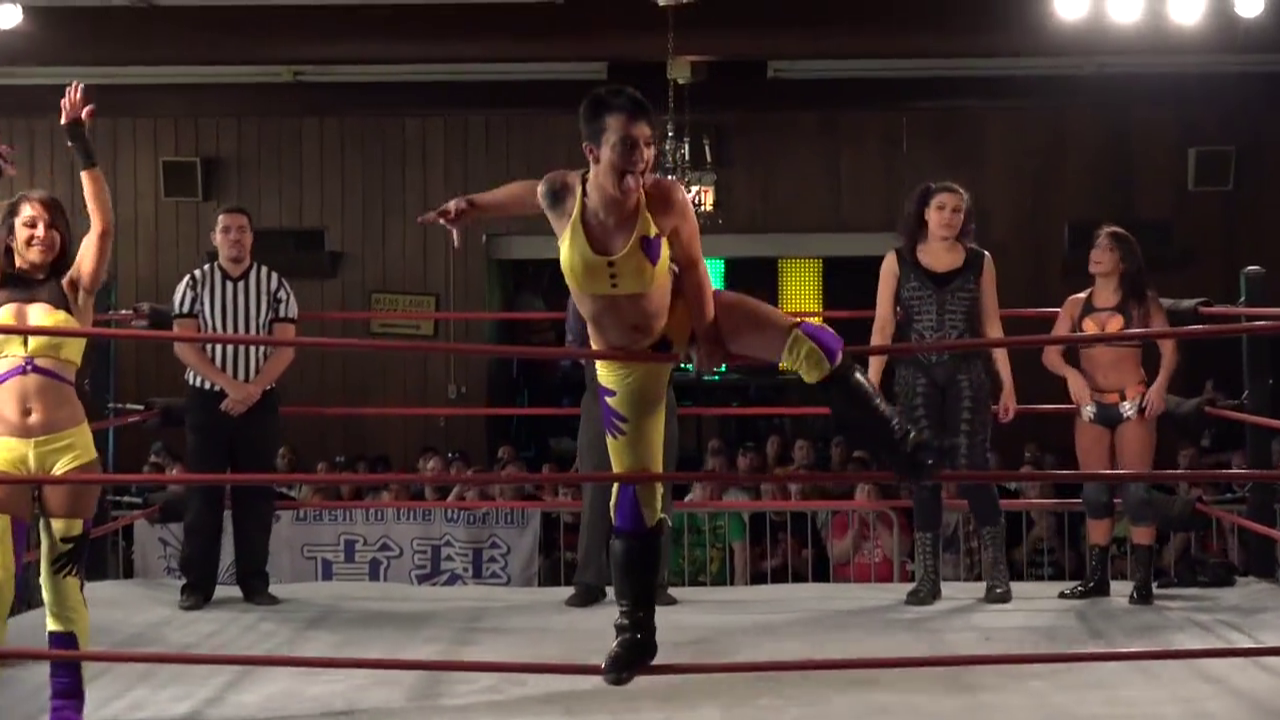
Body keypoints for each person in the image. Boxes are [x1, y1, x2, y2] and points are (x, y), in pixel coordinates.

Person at [418, 85, 937, 686]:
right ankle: (635, 631)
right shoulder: (561, 196)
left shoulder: (665, 198)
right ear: (591, 151)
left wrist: (709, 335)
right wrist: (470, 206)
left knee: (816, 343)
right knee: (634, 497)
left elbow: (692, 267)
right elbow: (524, 192)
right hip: (623, 364)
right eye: (627, 146)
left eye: (648, 145)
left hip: (681, 317)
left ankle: (904, 448)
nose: (641, 158)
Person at [0, 81, 113, 720]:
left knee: (61, 583)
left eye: (50, 224)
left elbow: (104, 225)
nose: (42, 232)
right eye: (29, 223)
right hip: (2, 450)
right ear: (11, 235)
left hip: (68, 448)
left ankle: (66, 713)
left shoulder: (73, 287)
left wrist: (80, 143)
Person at [868, 181, 1017, 607]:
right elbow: (883, 325)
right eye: (941, 208)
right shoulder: (896, 261)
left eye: (957, 209)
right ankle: (928, 578)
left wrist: (1008, 382)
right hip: (915, 373)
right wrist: (872, 383)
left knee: (974, 468)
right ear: (925, 212)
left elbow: (992, 323)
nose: (949, 216)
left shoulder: (980, 261)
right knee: (924, 471)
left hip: (968, 371)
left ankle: (997, 576)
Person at [170, 205, 298, 611]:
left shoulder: (275, 285)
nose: (235, 237)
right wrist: (230, 385)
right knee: (203, 493)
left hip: (258, 400)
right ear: (215, 238)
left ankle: (254, 582)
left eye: (242, 230)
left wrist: (251, 390)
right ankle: (196, 585)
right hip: (208, 399)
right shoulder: (193, 283)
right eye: (226, 230)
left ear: (252, 237)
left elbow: (285, 347)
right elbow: (183, 344)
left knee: (256, 493)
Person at [1043, 224, 1175, 605]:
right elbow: (1049, 353)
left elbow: (1169, 348)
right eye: (1095, 246)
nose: (1096, 253)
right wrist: (1071, 374)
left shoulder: (1141, 302)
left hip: (1131, 401)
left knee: (1136, 493)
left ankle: (1143, 581)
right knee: (1095, 493)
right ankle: (1096, 579)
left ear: (1123, 260)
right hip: (1091, 405)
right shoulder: (1075, 304)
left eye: (1106, 248)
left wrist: (1159, 387)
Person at [562, 296, 678, 608]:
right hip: (603, 384)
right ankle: (589, 580)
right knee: (596, 485)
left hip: (654, 385)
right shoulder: (587, 280)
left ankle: (655, 582)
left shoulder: (666, 278)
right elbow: (575, 339)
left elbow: (688, 330)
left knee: (657, 485)